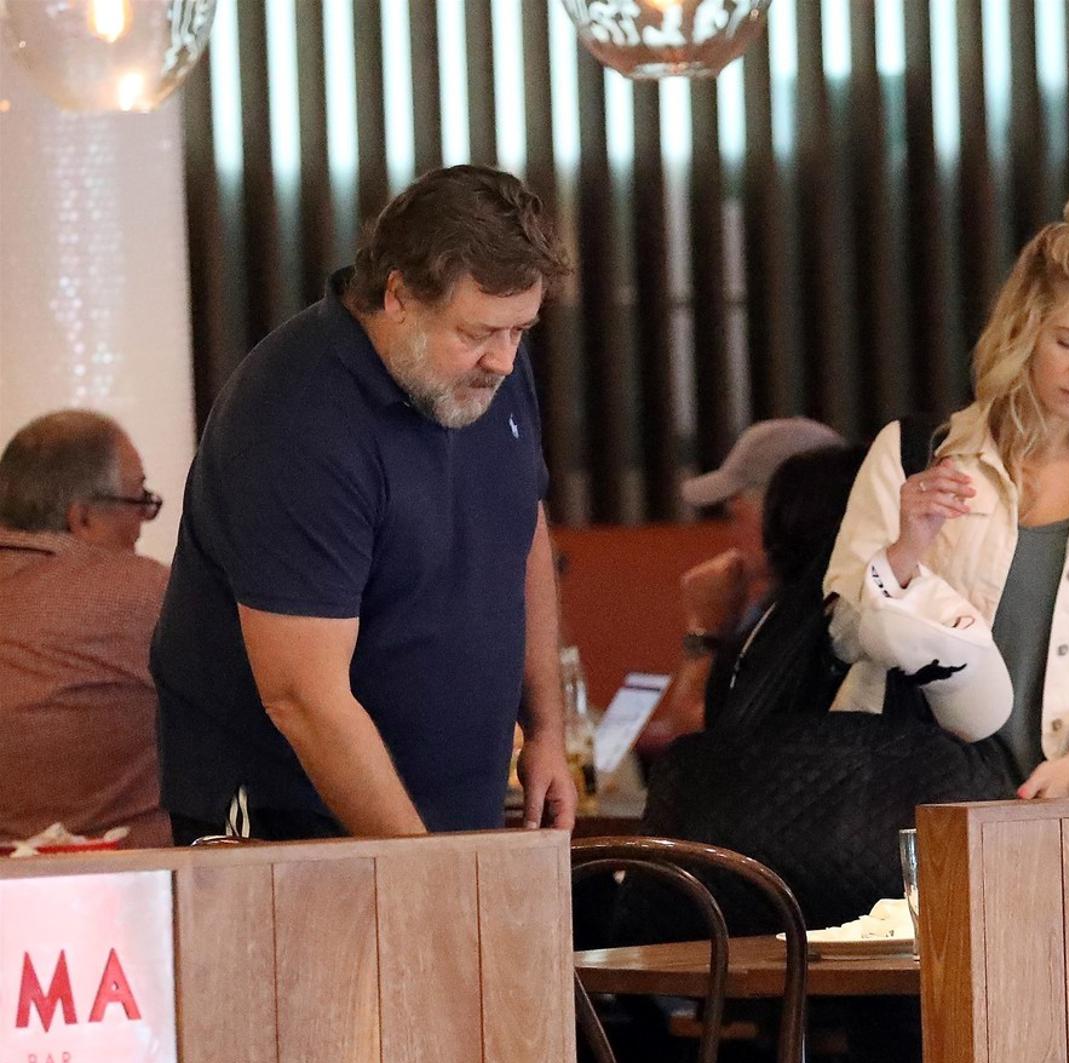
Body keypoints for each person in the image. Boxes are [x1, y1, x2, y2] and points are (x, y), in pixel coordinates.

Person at [152, 165, 578, 842]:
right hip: (291, 822)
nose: (502, 360)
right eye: (476, 334)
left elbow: (519, 529)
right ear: (398, 296)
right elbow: (303, 698)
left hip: (453, 808)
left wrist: (548, 729)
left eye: (520, 330)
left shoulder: (490, 367)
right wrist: (422, 870)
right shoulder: (298, 416)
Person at [825, 187, 1069, 799]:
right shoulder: (919, 453)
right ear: (1024, 330)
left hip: (1056, 797)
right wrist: (905, 551)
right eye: (1067, 342)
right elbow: (843, 634)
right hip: (906, 793)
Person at [0, 411, 171, 847]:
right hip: (125, 878)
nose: (142, 521)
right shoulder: (144, 593)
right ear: (83, 518)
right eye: (139, 499)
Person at [640, 418, 844, 752]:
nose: (730, 532)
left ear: (782, 510)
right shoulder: (772, 601)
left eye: (735, 514)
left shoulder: (816, 611)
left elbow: (700, 741)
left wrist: (704, 631)